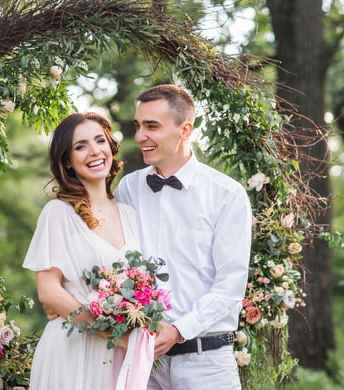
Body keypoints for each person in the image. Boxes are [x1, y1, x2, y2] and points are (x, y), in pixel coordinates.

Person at [114, 84, 252, 389]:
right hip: (143, 362)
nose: (140, 137)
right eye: (138, 126)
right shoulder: (127, 189)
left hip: (207, 364)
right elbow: (115, 262)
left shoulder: (226, 195)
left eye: (152, 126)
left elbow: (230, 286)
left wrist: (177, 330)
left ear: (184, 130)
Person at [22, 112, 141, 389]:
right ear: (66, 160)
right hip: (74, 347)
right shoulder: (58, 213)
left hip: (120, 355)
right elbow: (48, 290)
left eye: (100, 140)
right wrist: (111, 333)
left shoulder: (131, 214)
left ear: (111, 147)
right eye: (80, 146)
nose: (94, 151)